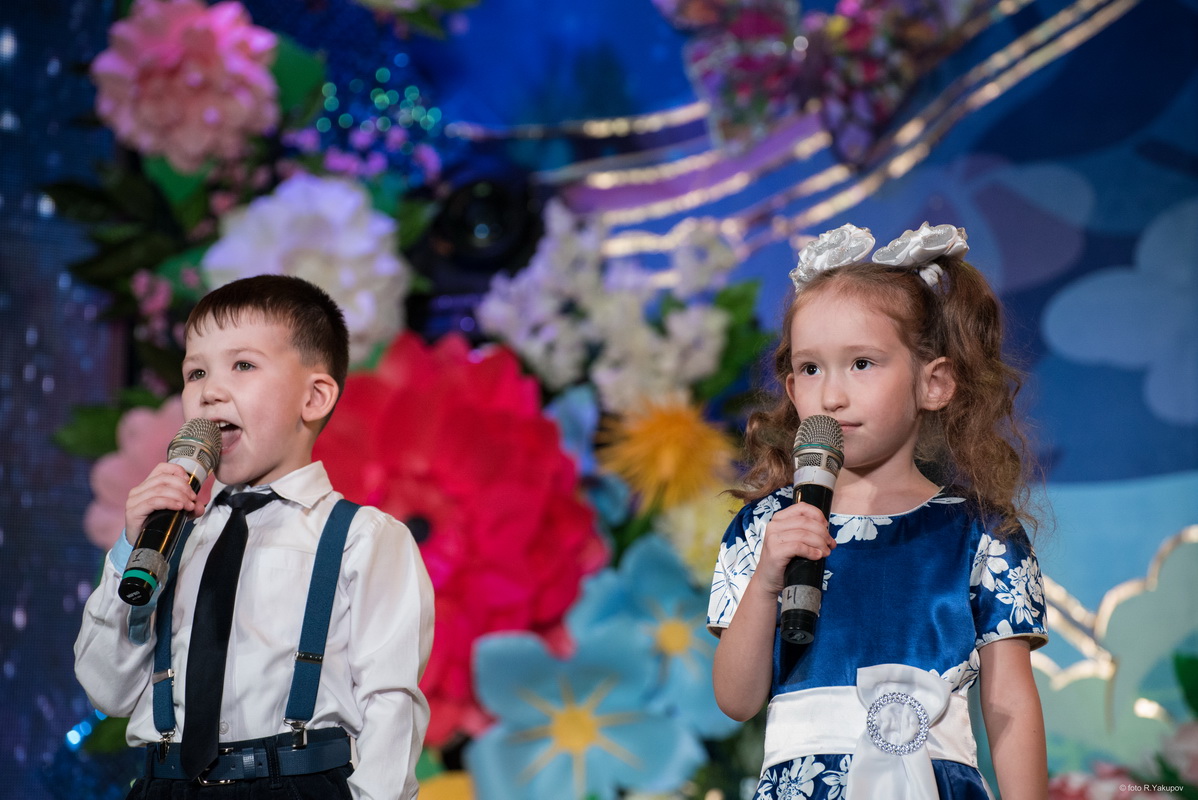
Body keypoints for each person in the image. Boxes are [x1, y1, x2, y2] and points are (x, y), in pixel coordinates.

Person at [708, 223, 1049, 800]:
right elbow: (737, 701)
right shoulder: (766, 527)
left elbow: (1009, 704)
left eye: (862, 363)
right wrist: (767, 579)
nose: (832, 395)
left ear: (933, 382)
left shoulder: (982, 536)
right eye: (811, 369)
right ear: (790, 391)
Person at [75, 275, 434, 799]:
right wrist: (133, 549)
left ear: (314, 396)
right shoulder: (175, 535)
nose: (210, 391)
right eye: (196, 372)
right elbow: (107, 689)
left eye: (242, 365)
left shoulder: (362, 538)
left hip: (293, 782)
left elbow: (391, 706)